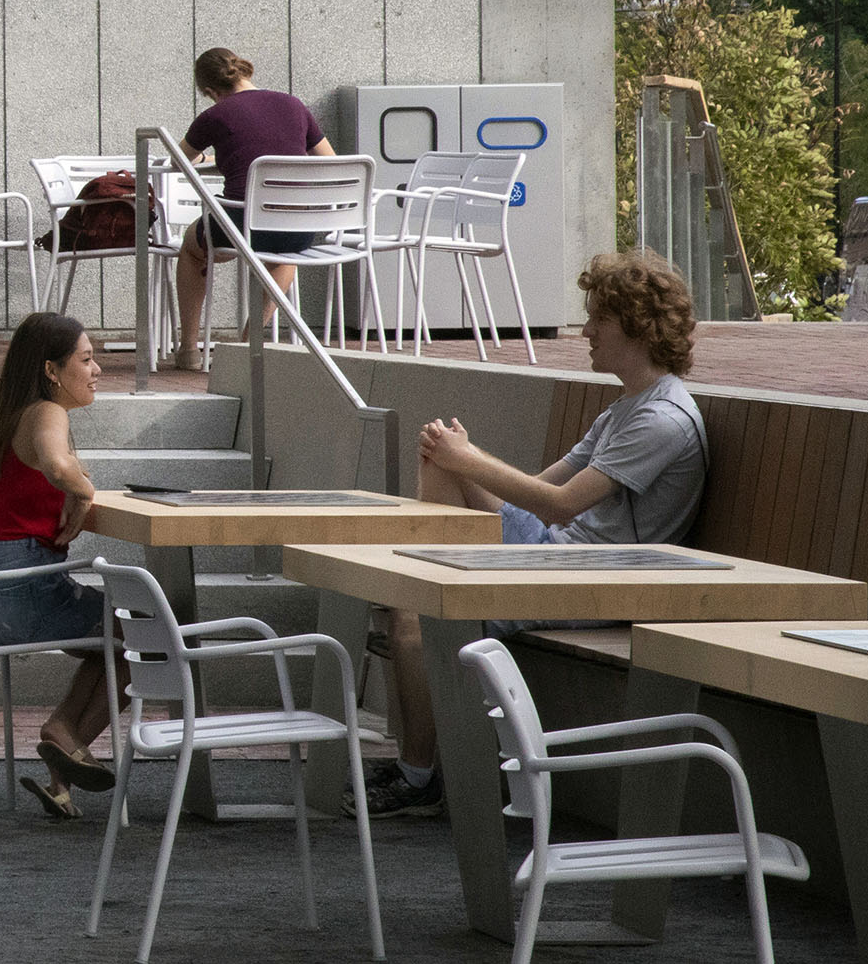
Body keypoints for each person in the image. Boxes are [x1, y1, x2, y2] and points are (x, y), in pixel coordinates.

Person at [354, 251, 708, 819]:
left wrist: (469, 460)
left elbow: (561, 503)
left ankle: (419, 774)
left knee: (418, 617)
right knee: (439, 471)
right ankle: (424, 592)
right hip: (562, 558)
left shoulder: (661, 420)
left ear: (638, 326)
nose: (587, 331)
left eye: (599, 320)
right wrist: (461, 458)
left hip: (600, 578)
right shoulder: (626, 407)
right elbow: (536, 491)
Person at [0, 312, 128, 820]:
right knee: (147, 635)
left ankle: (63, 767)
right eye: (87, 358)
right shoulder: (46, 413)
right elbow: (58, 466)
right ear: (52, 370)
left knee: (116, 637)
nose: (97, 369)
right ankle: (64, 732)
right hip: (24, 591)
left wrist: (75, 489)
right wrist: (83, 489)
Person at [170, 47, 338, 371]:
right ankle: (248, 345)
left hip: (242, 223)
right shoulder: (294, 105)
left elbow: (178, 162)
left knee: (192, 248)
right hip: (297, 228)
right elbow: (331, 162)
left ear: (209, 91)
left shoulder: (215, 115)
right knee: (284, 255)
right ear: (245, 72)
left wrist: (213, 160)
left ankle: (189, 350)